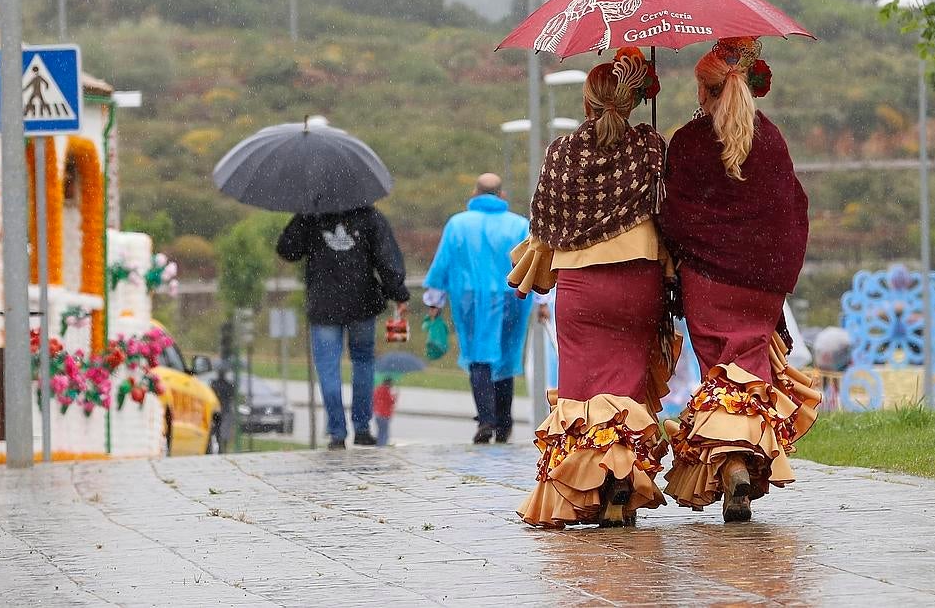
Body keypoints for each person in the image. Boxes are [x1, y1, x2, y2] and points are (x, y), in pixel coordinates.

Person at [508, 48, 674, 529]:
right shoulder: (649, 148)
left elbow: (545, 220)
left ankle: (589, 486)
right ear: (632, 102)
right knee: (626, 384)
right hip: (639, 280)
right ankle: (621, 479)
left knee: (581, 392)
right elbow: (667, 209)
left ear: (586, 103)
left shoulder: (562, 153)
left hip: (582, 285)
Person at [658, 37, 821, 524]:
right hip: (762, 282)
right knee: (751, 369)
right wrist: (771, 269)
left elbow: (673, 215)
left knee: (720, 373)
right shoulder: (771, 140)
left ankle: (731, 464)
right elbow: (793, 208)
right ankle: (745, 462)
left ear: (704, 92)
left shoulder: (687, 141)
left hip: (709, 277)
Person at [277, 207, 410, 449]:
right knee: (363, 362)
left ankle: (337, 433)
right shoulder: (369, 216)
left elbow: (287, 250)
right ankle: (361, 428)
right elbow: (387, 258)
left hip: (323, 304)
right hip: (362, 302)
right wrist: (398, 292)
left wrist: (302, 215)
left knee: (328, 368)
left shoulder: (313, 215)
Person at [422, 173, 531, 444]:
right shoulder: (519, 225)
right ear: (502, 195)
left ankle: (485, 419)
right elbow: (533, 262)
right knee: (505, 356)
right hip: (511, 297)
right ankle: (504, 422)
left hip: (469, 299)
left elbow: (443, 264)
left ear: (475, 193)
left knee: (477, 356)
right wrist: (541, 301)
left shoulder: (458, 225)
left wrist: (435, 301)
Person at [372, 375, 397, 446]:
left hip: (377, 414)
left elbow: (374, 400)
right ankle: (382, 446)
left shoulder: (377, 389)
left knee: (380, 432)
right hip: (384, 415)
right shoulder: (386, 391)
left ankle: (379, 445)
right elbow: (391, 402)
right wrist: (396, 396)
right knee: (384, 433)